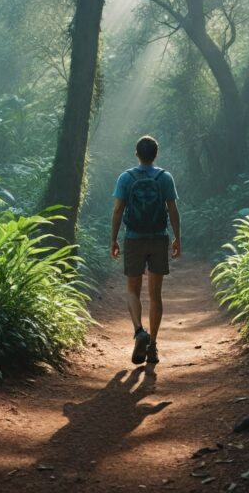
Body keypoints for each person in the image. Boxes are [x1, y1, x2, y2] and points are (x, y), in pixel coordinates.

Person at [110, 135, 181, 365]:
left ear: (136, 153)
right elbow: (172, 210)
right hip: (158, 238)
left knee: (132, 290)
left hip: (133, 239)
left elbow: (118, 211)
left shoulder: (126, 178)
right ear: (155, 154)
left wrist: (114, 239)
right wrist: (177, 238)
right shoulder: (165, 178)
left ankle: (139, 331)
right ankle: (152, 347)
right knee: (155, 295)